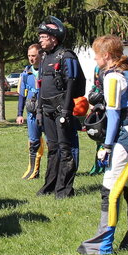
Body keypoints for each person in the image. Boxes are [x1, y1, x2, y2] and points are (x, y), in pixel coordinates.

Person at [78, 36, 128, 254]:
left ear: (106, 56)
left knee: (109, 191)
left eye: (96, 54)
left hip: (125, 138)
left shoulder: (112, 77)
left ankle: (102, 244)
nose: (94, 58)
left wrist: (107, 146)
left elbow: (113, 115)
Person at [36, 17, 86, 198]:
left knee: (66, 149)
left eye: (44, 36)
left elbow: (72, 83)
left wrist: (66, 110)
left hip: (62, 109)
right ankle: (50, 185)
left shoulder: (66, 56)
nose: (40, 40)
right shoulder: (44, 58)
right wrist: (40, 110)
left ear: (54, 38)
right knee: (53, 148)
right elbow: (42, 85)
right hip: (47, 110)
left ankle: (64, 190)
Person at [16, 43, 44, 180]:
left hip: (47, 112)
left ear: (40, 55)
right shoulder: (26, 74)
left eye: (33, 55)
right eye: (29, 56)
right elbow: (21, 95)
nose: (31, 59)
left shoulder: (47, 71)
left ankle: (54, 172)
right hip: (32, 113)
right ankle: (33, 170)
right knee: (33, 141)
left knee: (52, 142)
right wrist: (19, 114)